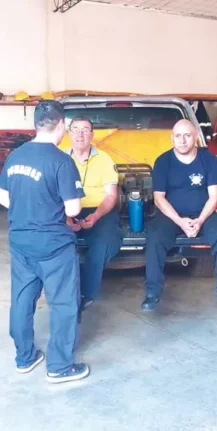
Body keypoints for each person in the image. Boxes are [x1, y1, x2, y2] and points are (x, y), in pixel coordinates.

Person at [0, 100, 90, 384]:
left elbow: (2, 197)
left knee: (22, 299)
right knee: (63, 303)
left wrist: (28, 207)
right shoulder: (61, 160)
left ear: (35, 125)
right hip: (53, 245)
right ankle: (59, 366)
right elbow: (72, 209)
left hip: (20, 241)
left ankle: (25, 358)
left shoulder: (15, 156)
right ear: (61, 125)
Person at [141, 119, 217, 312]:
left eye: (187, 135)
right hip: (171, 215)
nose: (183, 140)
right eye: (178, 136)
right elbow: (159, 198)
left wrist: (200, 220)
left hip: (204, 214)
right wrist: (180, 221)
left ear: (195, 137)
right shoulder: (163, 161)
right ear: (172, 139)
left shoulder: (209, 160)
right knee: (154, 236)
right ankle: (152, 292)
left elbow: (214, 196)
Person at [63, 118, 123, 312]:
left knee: (104, 242)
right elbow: (52, 194)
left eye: (85, 130)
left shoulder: (104, 159)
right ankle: (65, 293)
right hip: (66, 210)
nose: (80, 134)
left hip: (99, 210)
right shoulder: (60, 158)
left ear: (92, 135)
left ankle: (85, 295)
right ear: (69, 133)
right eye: (76, 129)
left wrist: (96, 216)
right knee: (60, 243)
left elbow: (111, 195)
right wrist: (66, 218)